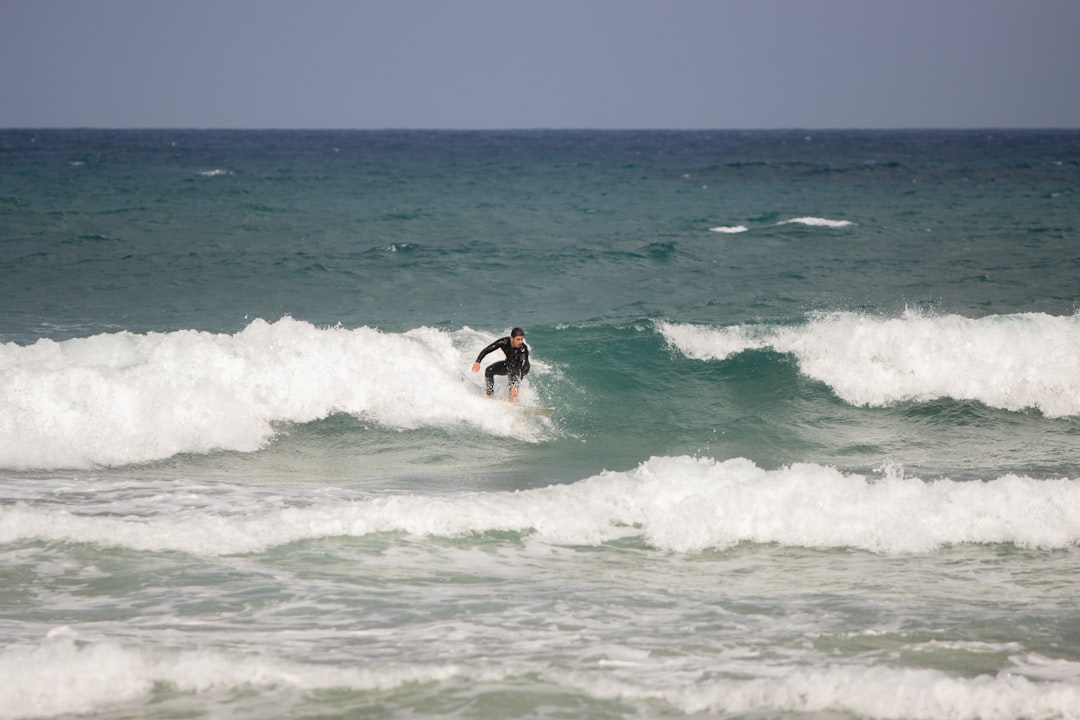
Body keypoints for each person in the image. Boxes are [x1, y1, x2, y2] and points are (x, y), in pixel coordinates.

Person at [471, 327, 531, 401]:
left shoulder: (523, 348)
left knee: (513, 376)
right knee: (489, 370)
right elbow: (488, 349)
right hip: (509, 364)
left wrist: (516, 385)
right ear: (512, 338)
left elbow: (522, 366)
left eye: (521, 339)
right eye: (518, 339)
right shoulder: (504, 342)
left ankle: (512, 400)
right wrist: (478, 361)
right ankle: (489, 394)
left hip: (523, 367)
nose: (520, 342)